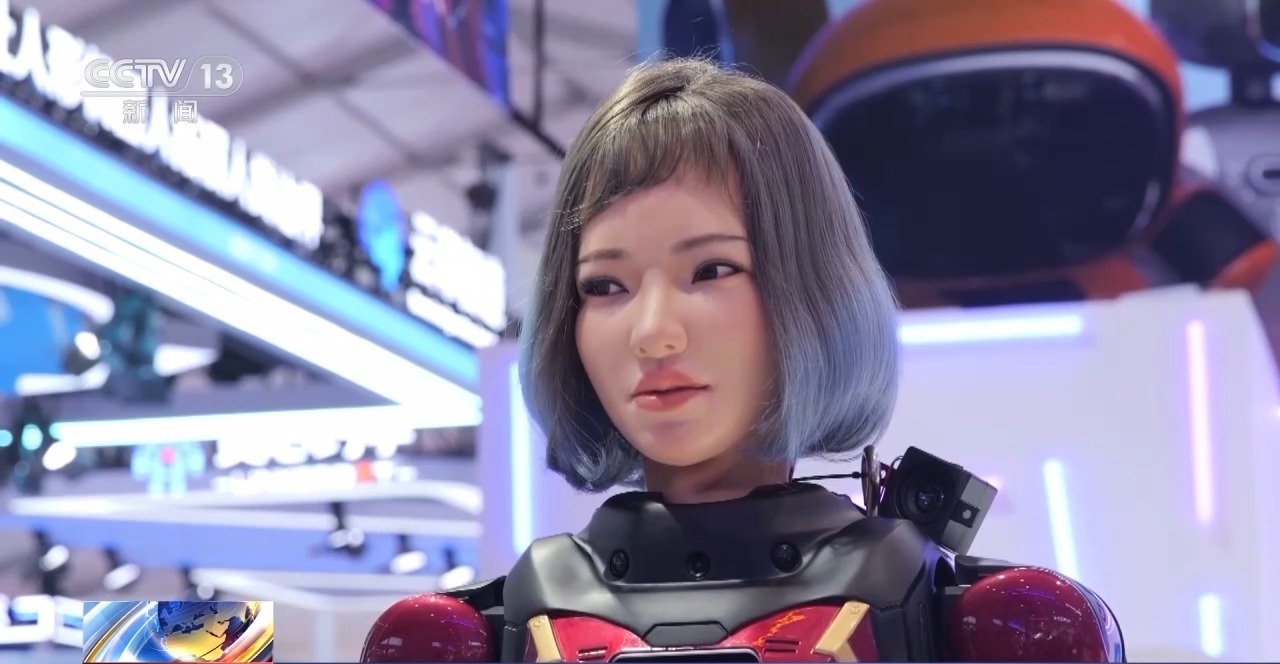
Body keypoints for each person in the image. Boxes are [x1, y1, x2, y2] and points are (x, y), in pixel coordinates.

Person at [361, 58, 1125, 663]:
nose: (653, 332)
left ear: (813, 288)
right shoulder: (469, 634)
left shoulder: (993, 622)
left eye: (712, 271)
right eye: (605, 286)